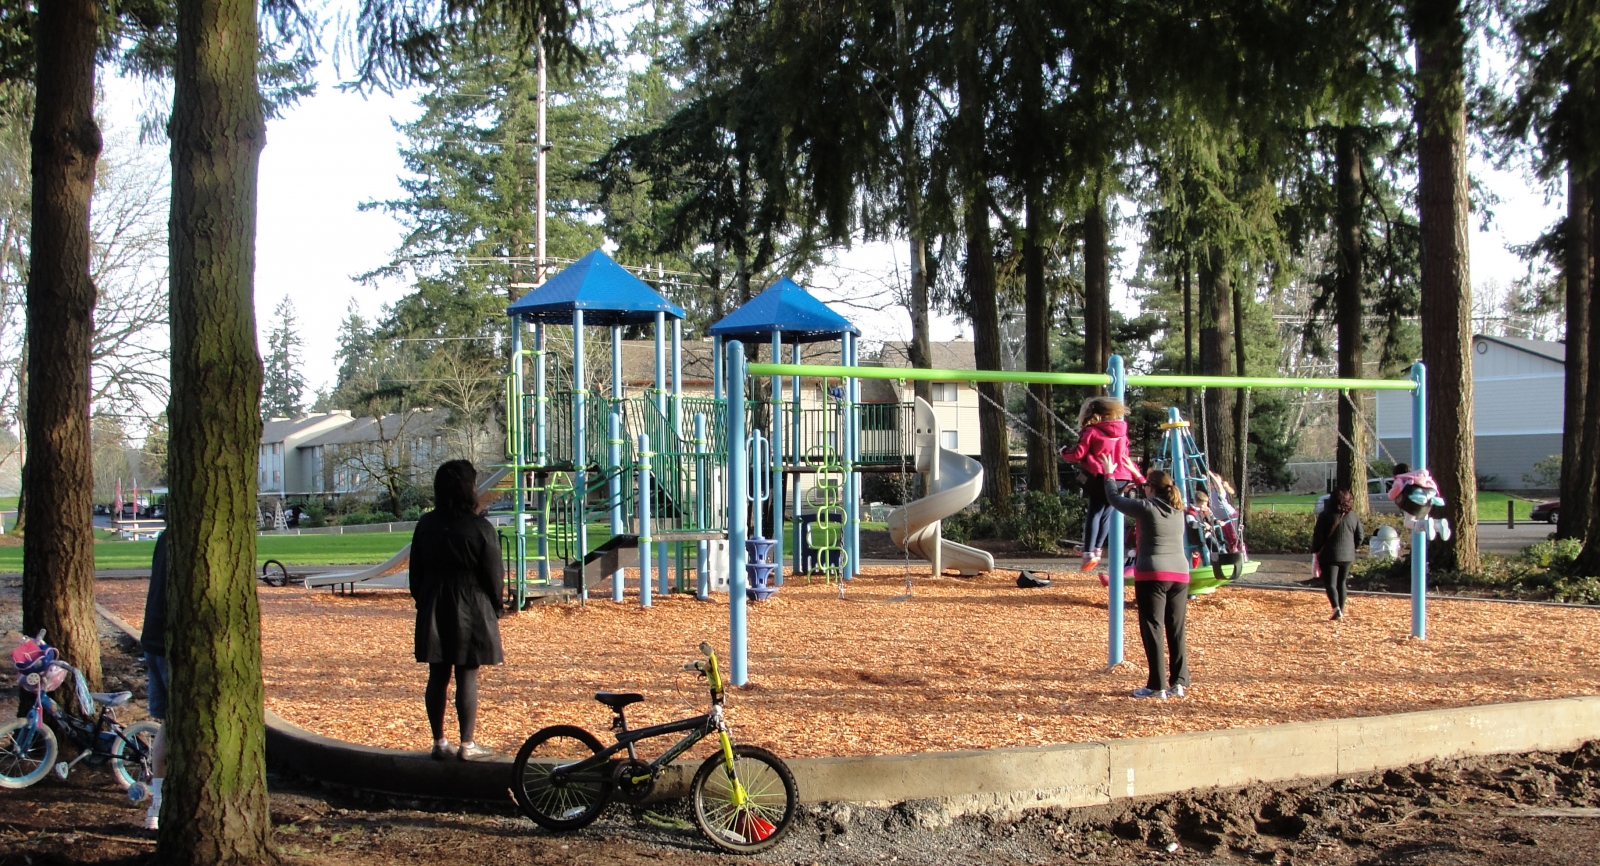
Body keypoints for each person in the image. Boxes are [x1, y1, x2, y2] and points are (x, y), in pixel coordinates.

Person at [410, 459, 505, 760]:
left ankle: (439, 741)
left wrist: (425, 600)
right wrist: (496, 605)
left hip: (434, 602)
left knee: (437, 675)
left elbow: (415, 574)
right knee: (467, 674)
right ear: (469, 488)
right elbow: (493, 575)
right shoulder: (480, 528)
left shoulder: (426, 524)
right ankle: (467, 744)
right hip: (472, 604)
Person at [1099, 454, 1189, 700]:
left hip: (1153, 572)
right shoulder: (1177, 508)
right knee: (1176, 628)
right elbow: (1154, 490)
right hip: (1180, 574)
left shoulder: (1146, 508)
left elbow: (1114, 499)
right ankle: (1178, 682)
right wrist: (1139, 476)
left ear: (1151, 489)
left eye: (1145, 486)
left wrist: (1108, 475)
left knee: (1153, 627)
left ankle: (1156, 685)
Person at [1060, 397, 1145, 574]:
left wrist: (1064, 452)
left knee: (1095, 513)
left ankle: (1089, 551)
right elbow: (1125, 451)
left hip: (1101, 475)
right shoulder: (1122, 430)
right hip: (1122, 477)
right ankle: (1097, 549)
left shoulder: (1090, 431)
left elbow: (1078, 453)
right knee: (1107, 512)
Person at [139, 531, 170, 831]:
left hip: (152, 638)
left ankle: (157, 806)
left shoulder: (164, 536)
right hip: (169, 643)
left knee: (167, 725)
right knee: (179, 724)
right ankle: (161, 806)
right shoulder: (190, 535)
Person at [1311, 489, 1364, 620]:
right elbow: (1360, 536)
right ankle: (1341, 609)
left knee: (1330, 583)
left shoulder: (1325, 515)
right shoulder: (1353, 516)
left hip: (1329, 554)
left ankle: (1336, 609)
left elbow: (1318, 536)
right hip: (1347, 555)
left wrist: (1315, 550)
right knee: (1342, 582)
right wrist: (1352, 548)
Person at [1388, 462, 1451, 540]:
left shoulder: (1400, 479)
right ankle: (1439, 524)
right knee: (1425, 522)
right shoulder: (1419, 477)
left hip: (1413, 501)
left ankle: (1425, 523)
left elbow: (1397, 489)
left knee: (1408, 522)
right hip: (1428, 501)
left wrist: (1391, 494)